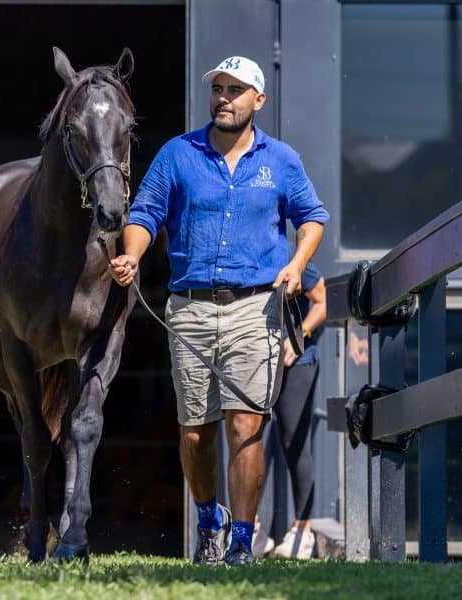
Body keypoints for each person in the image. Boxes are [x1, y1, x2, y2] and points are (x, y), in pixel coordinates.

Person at [109, 55, 329, 566]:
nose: (223, 98)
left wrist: (297, 264)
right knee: (194, 432)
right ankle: (210, 519)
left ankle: (242, 541)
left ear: (259, 99)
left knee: (246, 426)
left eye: (235, 90)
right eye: (218, 90)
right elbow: (144, 212)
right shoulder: (177, 155)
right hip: (190, 309)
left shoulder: (281, 160)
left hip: (257, 309)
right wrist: (133, 255)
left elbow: (312, 217)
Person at [252, 261, 327, 560]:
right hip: (255, 360)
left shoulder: (289, 255)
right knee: (248, 441)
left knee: (294, 442)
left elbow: (322, 301)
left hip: (296, 362)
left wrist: (300, 335)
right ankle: (253, 529)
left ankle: (302, 531)